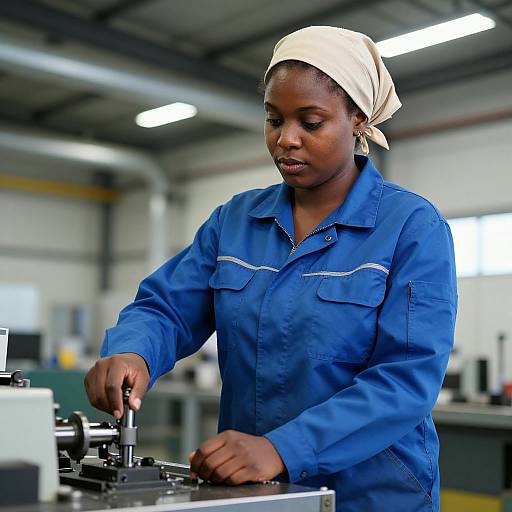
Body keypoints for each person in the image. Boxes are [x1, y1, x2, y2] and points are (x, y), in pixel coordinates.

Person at [85, 26, 457, 512]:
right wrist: (132, 351)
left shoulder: (410, 227)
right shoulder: (235, 222)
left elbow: (405, 381)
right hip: (254, 493)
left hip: (372, 496)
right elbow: (168, 308)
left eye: (311, 122)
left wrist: (283, 448)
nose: (286, 140)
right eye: (274, 119)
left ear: (358, 120)